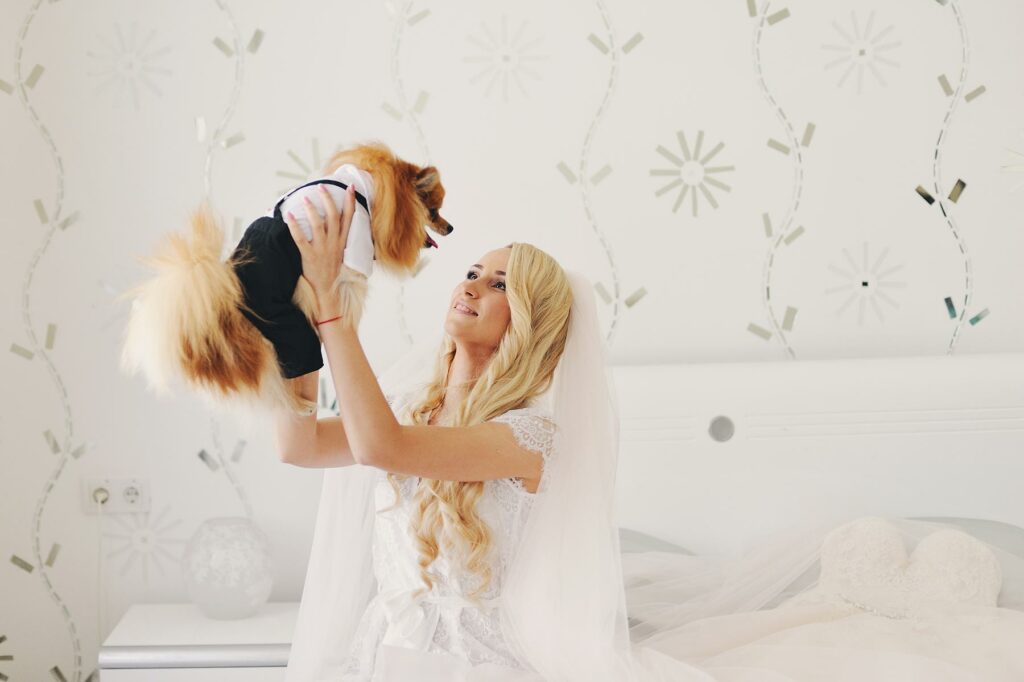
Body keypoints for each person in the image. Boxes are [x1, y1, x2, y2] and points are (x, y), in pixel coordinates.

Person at [274, 186, 1024, 681]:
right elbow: (300, 445)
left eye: (501, 283)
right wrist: (285, 316)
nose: (472, 284)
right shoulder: (410, 409)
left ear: (531, 320)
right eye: (472, 271)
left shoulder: (527, 436)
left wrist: (334, 305)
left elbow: (383, 451)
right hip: (384, 660)